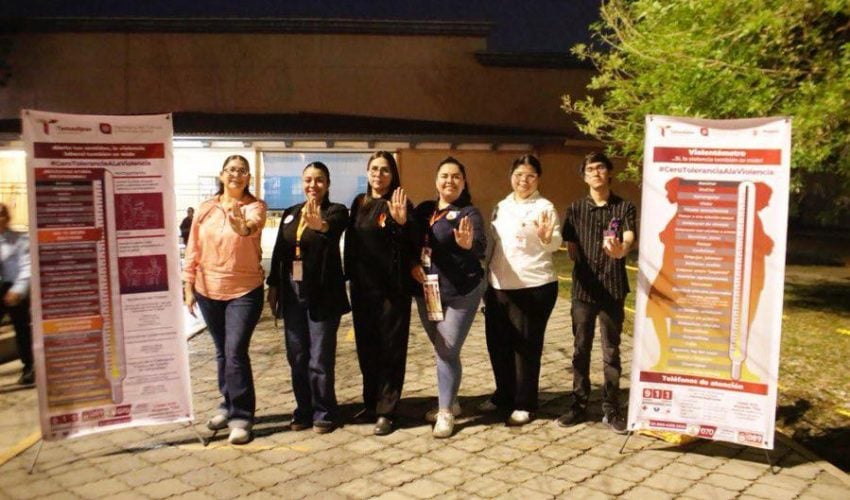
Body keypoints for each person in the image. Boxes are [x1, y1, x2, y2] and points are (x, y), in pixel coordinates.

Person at [183, 155, 267, 445]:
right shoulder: (206, 208)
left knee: (235, 351)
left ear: (248, 178)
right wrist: (188, 286)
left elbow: (251, 226)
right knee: (222, 352)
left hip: (244, 291)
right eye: (231, 170)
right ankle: (227, 404)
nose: (236, 175)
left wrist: (241, 227)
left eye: (242, 171)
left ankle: (242, 416)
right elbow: (193, 248)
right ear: (221, 175)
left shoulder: (255, 206)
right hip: (207, 290)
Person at [267, 162, 350, 434]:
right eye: (308, 180)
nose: (313, 185)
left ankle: (325, 411)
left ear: (328, 184)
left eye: (319, 180)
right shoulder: (291, 213)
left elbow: (332, 229)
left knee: (320, 358)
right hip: (292, 293)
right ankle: (303, 409)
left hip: (323, 294)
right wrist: (273, 286)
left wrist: (321, 225)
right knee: (297, 355)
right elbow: (279, 251)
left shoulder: (336, 211)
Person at [557, 152, 636, 434]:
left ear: (609, 172)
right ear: (584, 176)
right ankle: (578, 403)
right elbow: (571, 248)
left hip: (613, 289)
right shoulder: (576, 209)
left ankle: (611, 407)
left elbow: (629, 238)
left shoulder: (624, 207)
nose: (596, 172)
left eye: (600, 167)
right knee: (581, 348)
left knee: (611, 350)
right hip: (583, 290)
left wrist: (620, 250)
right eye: (590, 169)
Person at [482, 155, 562, 426]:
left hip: (533, 286)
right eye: (518, 175)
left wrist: (547, 238)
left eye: (530, 176)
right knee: (498, 345)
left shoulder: (544, 207)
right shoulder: (502, 206)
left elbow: (555, 242)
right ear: (511, 177)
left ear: (538, 179)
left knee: (525, 347)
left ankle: (525, 403)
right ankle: (503, 394)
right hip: (498, 286)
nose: (523, 181)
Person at [411, 157, 486, 438]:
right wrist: (411, 264)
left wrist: (469, 244)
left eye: (456, 176)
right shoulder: (424, 210)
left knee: (447, 350)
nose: (449, 181)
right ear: (436, 180)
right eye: (444, 175)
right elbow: (409, 240)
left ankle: (445, 412)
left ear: (464, 183)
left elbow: (480, 245)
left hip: (461, 292)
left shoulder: (468, 213)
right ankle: (451, 401)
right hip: (429, 291)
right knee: (442, 349)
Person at [345, 152, 414, 436]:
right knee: (367, 348)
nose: (379, 174)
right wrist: (349, 276)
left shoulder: (400, 203)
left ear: (393, 174)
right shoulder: (359, 203)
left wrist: (402, 223)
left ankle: (387, 410)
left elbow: (411, 246)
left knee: (390, 350)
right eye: (374, 169)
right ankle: (371, 403)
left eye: (385, 170)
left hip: (392, 290)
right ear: (367, 172)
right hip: (363, 289)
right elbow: (351, 243)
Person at [0, 203, 33, 386]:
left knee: (22, 330)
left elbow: (27, 266)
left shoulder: (20, 239)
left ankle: (29, 368)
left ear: (7, 217)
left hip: (13, 288)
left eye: (1, 215)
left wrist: (18, 290)